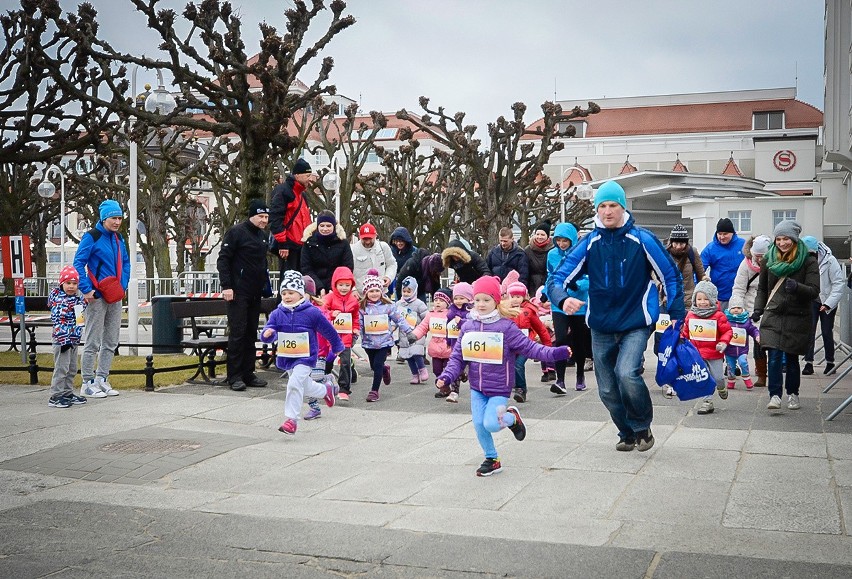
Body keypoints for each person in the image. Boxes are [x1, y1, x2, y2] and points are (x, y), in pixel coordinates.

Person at [548, 180, 685, 452]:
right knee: (607, 390)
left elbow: (671, 275)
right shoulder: (590, 243)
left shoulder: (642, 239)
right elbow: (557, 278)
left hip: (636, 321)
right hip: (600, 326)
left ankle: (642, 426)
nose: (607, 211)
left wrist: (677, 315)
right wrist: (563, 300)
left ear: (623, 208)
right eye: (602, 206)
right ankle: (626, 432)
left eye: (613, 205)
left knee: (626, 373)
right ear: (597, 210)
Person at [437, 276, 570, 477]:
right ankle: (492, 459)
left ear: (497, 301)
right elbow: (457, 357)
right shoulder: (467, 327)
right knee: (479, 424)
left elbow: (530, 348)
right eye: (478, 300)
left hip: (499, 387)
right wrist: (446, 376)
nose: (481, 304)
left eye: (486, 300)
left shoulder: (506, 328)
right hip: (477, 387)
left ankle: (512, 418)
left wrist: (555, 353)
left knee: (491, 423)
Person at [260, 271, 343, 435]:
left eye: (291, 293)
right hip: (287, 358)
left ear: (300, 294)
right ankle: (326, 390)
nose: (287, 296)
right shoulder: (278, 313)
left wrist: (337, 346)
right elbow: (269, 331)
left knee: (293, 384)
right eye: (283, 293)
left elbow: (328, 329)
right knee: (304, 386)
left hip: (306, 357)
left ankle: (291, 420)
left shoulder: (311, 312)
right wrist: (267, 333)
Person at [752, 220, 820, 411]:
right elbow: (762, 289)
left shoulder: (808, 260)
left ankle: (793, 394)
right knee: (773, 355)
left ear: (795, 239)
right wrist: (758, 309)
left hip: (797, 315)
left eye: (786, 239)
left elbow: (815, 291)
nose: (782, 243)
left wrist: (797, 287)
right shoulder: (768, 260)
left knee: (791, 358)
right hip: (774, 313)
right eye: (779, 239)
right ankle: (774, 395)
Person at [74, 198, 130, 398]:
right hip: (96, 296)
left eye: (119, 218)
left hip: (115, 295)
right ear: (104, 218)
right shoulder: (92, 236)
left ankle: (102, 378)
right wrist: (87, 289)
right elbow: (78, 263)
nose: (117, 222)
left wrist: (122, 285)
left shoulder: (119, 238)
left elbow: (125, 261)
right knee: (92, 340)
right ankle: (87, 382)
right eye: (114, 218)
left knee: (111, 340)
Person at [217, 199, 273, 391]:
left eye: (266, 217)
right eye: (261, 216)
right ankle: (234, 376)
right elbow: (223, 259)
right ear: (252, 215)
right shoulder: (236, 232)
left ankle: (248, 373)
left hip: (255, 292)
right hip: (237, 292)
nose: (264, 220)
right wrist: (227, 286)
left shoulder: (262, 236)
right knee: (238, 333)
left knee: (251, 333)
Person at [545, 222, 589, 395]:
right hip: (559, 304)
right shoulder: (552, 255)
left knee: (579, 341)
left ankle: (580, 375)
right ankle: (560, 379)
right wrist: (548, 294)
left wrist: (578, 286)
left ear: (572, 239)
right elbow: (550, 276)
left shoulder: (581, 254)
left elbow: (588, 276)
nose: (562, 244)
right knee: (561, 338)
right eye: (559, 240)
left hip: (578, 303)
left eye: (565, 240)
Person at [360, 271, 417, 402]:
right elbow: (359, 322)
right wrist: (355, 333)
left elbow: (399, 319)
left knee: (378, 364)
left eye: (376, 290)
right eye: (371, 291)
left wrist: (409, 332)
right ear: (366, 293)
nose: (374, 293)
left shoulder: (388, 306)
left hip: (384, 341)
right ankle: (385, 370)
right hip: (368, 342)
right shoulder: (362, 308)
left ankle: (374, 391)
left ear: (381, 291)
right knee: (374, 366)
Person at [681, 281, 733, 415]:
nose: (702, 302)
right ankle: (707, 402)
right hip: (698, 354)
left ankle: (721, 388)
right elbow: (685, 332)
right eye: (699, 299)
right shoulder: (691, 315)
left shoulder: (718, 316)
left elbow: (727, 331)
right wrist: (681, 341)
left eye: (706, 299)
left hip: (715, 353)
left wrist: (723, 342)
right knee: (704, 378)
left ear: (712, 300)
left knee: (718, 378)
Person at [801, 236, 846, 376]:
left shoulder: (830, 261)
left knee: (827, 331)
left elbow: (838, 283)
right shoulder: (802, 260)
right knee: (810, 331)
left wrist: (828, 304)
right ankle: (808, 363)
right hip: (811, 299)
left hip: (827, 299)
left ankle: (830, 362)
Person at [730, 234, 772, 387]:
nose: (760, 259)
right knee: (752, 340)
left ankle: (766, 372)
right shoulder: (746, 264)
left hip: (770, 306)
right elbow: (739, 288)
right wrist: (737, 308)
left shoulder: (775, 264)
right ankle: (756, 373)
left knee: (765, 342)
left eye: (763, 256)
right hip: (748, 308)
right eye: (757, 256)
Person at [47, 266, 88, 408]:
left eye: (74, 283)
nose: (71, 286)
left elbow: (79, 320)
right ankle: (56, 395)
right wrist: (64, 340)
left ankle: (67, 392)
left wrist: (76, 337)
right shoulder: (59, 301)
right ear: (62, 284)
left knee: (71, 367)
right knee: (61, 368)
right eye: (68, 283)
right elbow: (58, 321)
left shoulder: (77, 299)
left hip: (73, 339)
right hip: (62, 339)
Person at [506, 281, 552, 403]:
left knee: (518, 364)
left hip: (525, 344)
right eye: (512, 296)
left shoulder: (529, 311)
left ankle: (521, 390)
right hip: (509, 345)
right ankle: (513, 385)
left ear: (524, 297)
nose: (515, 300)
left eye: (518, 296)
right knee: (510, 366)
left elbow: (540, 329)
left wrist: (547, 346)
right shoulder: (504, 311)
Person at [319, 266, 360, 401]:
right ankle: (325, 382)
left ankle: (344, 389)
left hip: (346, 337)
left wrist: (355, 328)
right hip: (331, 337)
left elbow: (355, 317)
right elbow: (322, 312)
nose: (343, 288)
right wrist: (331, 314)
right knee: (328, 361)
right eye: (341, 284)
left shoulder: (353, 300)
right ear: (335, 284)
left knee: (345, 362)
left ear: (351, 285)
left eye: (347, 285)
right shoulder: (329, 298)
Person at [269, 158, 314, 278]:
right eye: (307, 175)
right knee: (289, 282)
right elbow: (275, 218)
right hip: (289, 244)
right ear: (297, 175)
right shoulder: (284, 191)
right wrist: (282, 244)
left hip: (302, 245)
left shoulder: (302, 194)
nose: (310, 179)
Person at [410, 288, 457, 399]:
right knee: (436, 370)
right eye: (436, 300)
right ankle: (444, 388)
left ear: (447, 302)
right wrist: (414, 335)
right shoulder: (430, 314)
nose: (437, 302)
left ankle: (447, 387)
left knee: (448, 370)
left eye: (441, 300)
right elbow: (423, 327)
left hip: (449, 348)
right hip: (435, 348)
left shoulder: (451, 315)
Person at [300, 210, 354, 294]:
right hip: (314, 287)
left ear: (334, 226)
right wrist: (319, 287)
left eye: (328, 226)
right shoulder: (308, 243)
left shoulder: (343, 243)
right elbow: (306, 269)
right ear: (318, 226)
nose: (325, 229)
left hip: (337, 288)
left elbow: (347, 267)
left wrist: (333, 287)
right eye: (322, 226)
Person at [700, 217, 745, 311]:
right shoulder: (710, 248)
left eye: (725, 234)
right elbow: (699, 269)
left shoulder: (743, 245)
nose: (722, 237)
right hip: (719, 296)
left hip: (740, 296)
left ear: (732, 233)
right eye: (719, 234)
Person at [396, 276, 429, 384]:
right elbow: (395, 318)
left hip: (416, 333)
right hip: (404, 335)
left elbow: (426, 317)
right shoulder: (399, 304)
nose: (405, 293)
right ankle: (415, 374)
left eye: (408, 291)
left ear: (414, 291)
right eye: (404, 291)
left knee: (416, 353)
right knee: (408, 356)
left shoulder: (419, 304)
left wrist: (425, 327)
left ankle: (422, 369)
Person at [723, 296, 761, 390]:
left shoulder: (746, 321)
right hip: (729, 349)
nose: (736, 310)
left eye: (739, 308)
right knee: (730, 367)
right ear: (729, 309)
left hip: (742, 349)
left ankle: (747, 377)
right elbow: (721, 331)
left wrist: (757, 335)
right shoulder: (726, 321)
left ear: (742, 309)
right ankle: (731, 381)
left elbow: (752, 329)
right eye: (734, 308)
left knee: (743, 362)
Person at [351, 222, 397, 292]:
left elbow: (392, 264)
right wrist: (353, 289)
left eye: (370, 238)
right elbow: (348, 271)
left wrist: (388, 277)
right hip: (360, 295)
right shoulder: (353, 250)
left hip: (381, 292)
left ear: (375, 235)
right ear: (360, 237)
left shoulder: (383, 247)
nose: (367, 242)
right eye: (365, 239)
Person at [524, 220, 553, 294]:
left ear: (548, 236)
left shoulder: (553, 250)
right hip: (531, 286)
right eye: (537, 234)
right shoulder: (528, 250)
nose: (539, 237)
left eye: (542, 235)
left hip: (547, 284)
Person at [390, 226, 418, 295]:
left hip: (413, 284)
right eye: (396, 241)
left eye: (401, 241)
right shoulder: (391, 252)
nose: (399, 243)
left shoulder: (414, 252)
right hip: (398, 285)